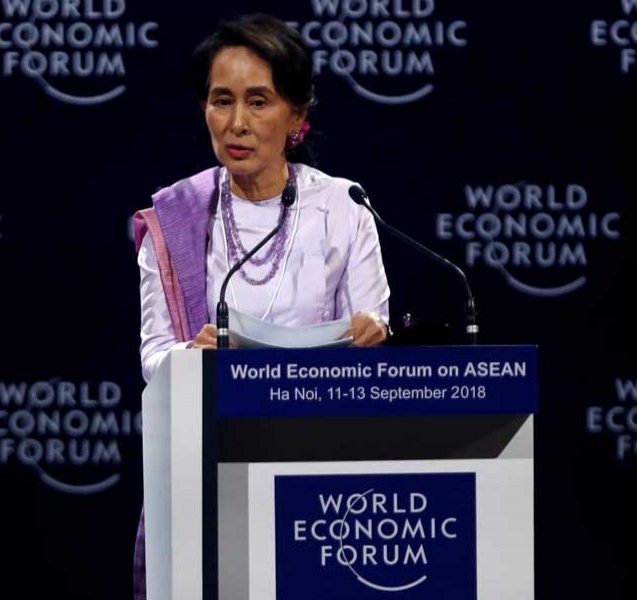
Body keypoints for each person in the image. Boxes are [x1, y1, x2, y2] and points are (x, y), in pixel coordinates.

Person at [131, 13, 390, 600]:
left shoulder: (343, 206)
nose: (237, 123)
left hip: (321, 478)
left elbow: (370, 336)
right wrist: (191, 357)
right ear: (204, 110)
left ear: (296, 118)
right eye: (222, 101)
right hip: (208, 472)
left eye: (259, 101)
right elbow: (154, 357)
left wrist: (371, 334)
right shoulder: (175, 217)